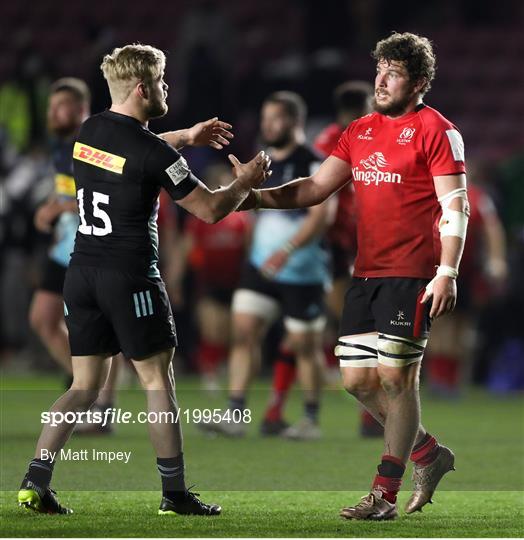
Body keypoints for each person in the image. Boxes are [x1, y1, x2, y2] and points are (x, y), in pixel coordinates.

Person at [17, 43, 270, 516]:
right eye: (162, 80)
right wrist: (246, 181)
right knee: (158, 382)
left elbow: (132, 149)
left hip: (82, 273)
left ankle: (35, 480)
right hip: (130, 278)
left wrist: (187, 135)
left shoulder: (89, 130)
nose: (167, 87)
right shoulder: (153, 151)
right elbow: (212, 208)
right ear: (143, 88)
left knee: (82, 386)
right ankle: (174, 494)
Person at [237, 32, 469, 520]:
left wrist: (447, 271)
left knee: (396, 379)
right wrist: (252, 195)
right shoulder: (360, 130)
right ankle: (429, 454)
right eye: (379, 70)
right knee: (356, 380)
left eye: (394, 74)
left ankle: (383, 493)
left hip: (413, 273)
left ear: (420, 82)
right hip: (365, 273)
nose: (380, 81)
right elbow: (316, 188)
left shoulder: (436, 130)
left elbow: (455, 206)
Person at [200, 91, 335, 439]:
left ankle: (309, 419)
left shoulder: (314, 162)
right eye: (264, 119)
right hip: (260, 267)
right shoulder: (260, 165)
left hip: (301, 271)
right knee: (243, 334)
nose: (267, 125)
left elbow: (323, 215)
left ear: (295, 122)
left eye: (275, 118)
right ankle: (236, 414)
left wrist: (286, 249)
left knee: (305, 346)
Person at [29, 78, 119, 431]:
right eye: (50, 107)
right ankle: (84, 388)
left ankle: (102, 408)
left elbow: (110, 193)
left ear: (81, 109)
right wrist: (51, 207)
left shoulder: (93, 143)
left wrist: (62, 207)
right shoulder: (59, 145)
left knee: (102, 334)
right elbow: (70, 192)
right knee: (42, 319)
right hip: (63, 249)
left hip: (93, 249)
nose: (52, 113)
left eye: (60, 106)